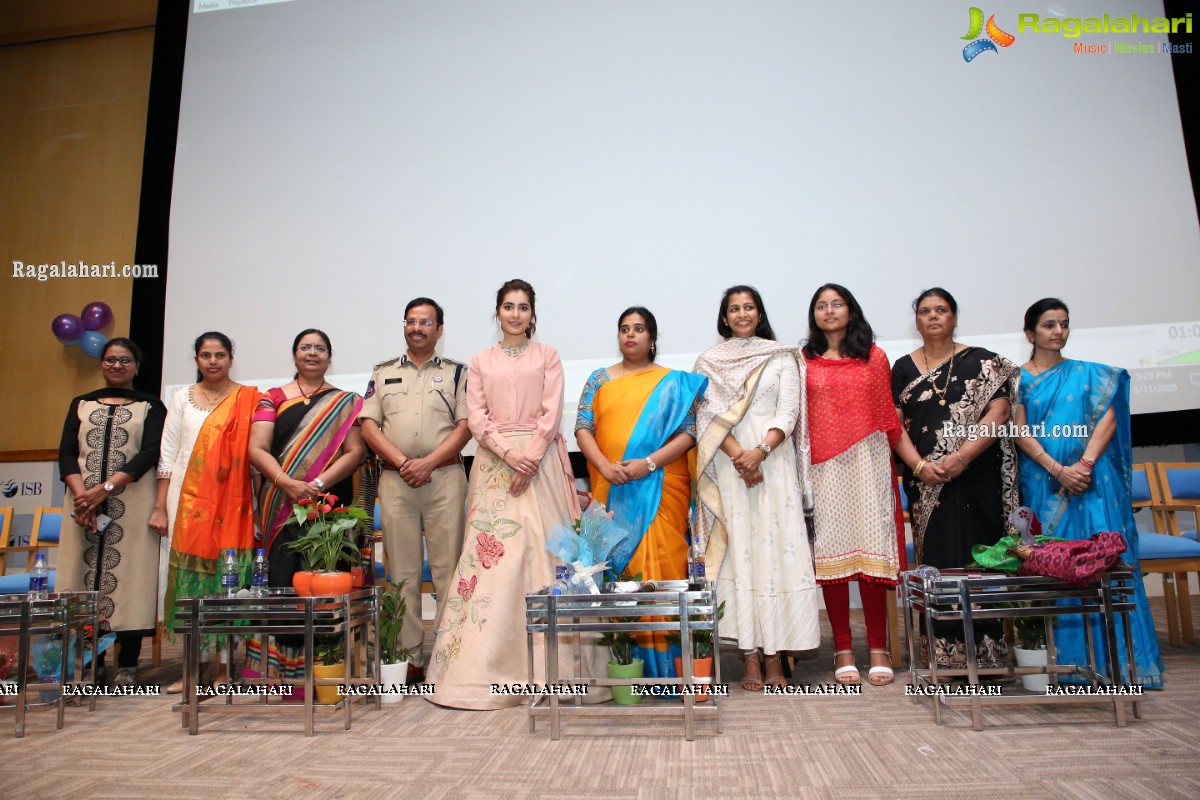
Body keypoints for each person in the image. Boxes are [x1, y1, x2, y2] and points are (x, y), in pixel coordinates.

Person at [427, 279, 584, 709]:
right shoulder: (480, 361)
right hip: (495, 465)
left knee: (546, 555)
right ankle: (484, 671)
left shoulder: (547, 356)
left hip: (542, 463)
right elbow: (476, 418)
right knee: (492, 560)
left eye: (523, 307)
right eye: (508, 307)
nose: (515, 314)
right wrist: (509, 455)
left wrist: (529, 459)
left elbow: (551, 414)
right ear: (497, 313)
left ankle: (557, 673)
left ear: (533, 314)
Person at [1013, 298, 1164, 686]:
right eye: (1048, 325)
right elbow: (1019, 430)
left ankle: (1119, 663)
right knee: (1056, 566)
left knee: (1102, 562)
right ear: (1030, 333)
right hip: (1042, 480)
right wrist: (1056, 468)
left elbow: (1108, 416)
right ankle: (1068, 664)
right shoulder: (1017, 381)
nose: (1058, 332)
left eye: (1063, 324)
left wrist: (1083, 465)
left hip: (1092, 484)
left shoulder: (1091, 375)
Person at [693, 285, 820, 690]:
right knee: (740, 553)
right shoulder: (708, 362)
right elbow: (707, 415)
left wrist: (761, 451)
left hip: (774, 464)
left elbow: (789, 409)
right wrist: (740, 456)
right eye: (734, 308)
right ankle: (749, 654)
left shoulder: (781, 355)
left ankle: (774, 655)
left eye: (749, 307)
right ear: (725, 318)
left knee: (775, 554)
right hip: (730, 467)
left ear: (759, 313)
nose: (742, 314)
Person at [575, 306, 708, 677]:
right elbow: (583, 427)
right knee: (620, 572)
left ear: (652, 338)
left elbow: (688, 433)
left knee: (662, 567)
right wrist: (604, 466)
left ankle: (668, 672)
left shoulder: (674, 382)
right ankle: (624, 669)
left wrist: (647, 464)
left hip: (661, 485)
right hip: (610, 485)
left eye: (638, 329)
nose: (630, 335)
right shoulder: (599, 379)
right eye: (623, 329)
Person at [891, 288, 1017, 671]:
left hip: (977, 477)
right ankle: (945, 656)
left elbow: (1000, 409)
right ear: (916, 320)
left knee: (981, 561)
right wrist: (918, 467)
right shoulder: (902, 368)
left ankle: (989, 654)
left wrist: (961, 457)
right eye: (925, 311)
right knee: (940, 563)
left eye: (941, 310)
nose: (933, 316)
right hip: (927, 483)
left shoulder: (985, 363)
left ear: (955, 317)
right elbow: (893, 427)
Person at [246, 329, 366, 686]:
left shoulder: (345, 401)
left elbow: (355, 452)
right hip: (280, 504)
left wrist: (316, 486)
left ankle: (328, 672)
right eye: (305, 347)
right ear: (294, 355)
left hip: (328, 508)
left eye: (320, 348)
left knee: (328, 581)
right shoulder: (272, 398)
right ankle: (284, 674)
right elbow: (257, 448)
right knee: (284, 581)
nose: (312, 353)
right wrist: (285, 482)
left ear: (329, 356)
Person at [359, 298, 470, 684]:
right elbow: (369, 426)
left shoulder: (459, 373)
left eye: (426, 322)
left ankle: (445, 658)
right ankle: (407, 659)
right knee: (400, 574)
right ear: (404, 327)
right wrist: (405, 462)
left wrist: (427, 463)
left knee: (448, 571)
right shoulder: (382, 372)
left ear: (440, 330)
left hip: (445, 479)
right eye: (411, 321)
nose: (418, 327)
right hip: (396, 480)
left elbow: (465, 426)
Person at [801, 284, 905, 686]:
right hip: (823, 468)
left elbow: (886, 416)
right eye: (821, 306)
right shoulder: (804, 361)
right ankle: (842, 647)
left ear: (851, 310)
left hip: (868, 462)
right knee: (833, 555)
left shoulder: (874, 357)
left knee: (872, 552)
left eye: (837, 304)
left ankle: (877, 646)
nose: (829, 311)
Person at [150, 332, 261, 692]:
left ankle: (226, 670)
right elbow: (168, 457)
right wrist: (159, 508)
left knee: (228, 583)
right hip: (186, 503)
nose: (213, 361)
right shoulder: (181, 398)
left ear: (231, 358)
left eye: (220, 355)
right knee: (190, 585)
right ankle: (191, 672)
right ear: (196, 359)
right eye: (205, 355)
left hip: (234, 503)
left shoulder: (250, 399)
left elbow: (255, 459)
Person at [57, 338, 166, 687]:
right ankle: (92, 661)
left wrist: (103, 490)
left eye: (125, 360)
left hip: (131, 503)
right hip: (82, 507)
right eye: (110, 359)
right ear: (102, 364)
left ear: (136, 366)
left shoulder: (150, 405)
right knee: (82, 577)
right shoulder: (81, 403)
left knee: (131, 578)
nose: (117, 365)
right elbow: (66, 454)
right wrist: (82, 497)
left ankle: (129, 663)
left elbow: (148, 454)